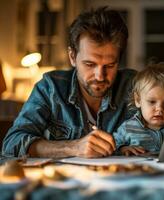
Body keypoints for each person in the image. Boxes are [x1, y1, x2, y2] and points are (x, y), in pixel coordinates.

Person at [2, 7, 137, 158]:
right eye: (89, 64)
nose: (100, 76)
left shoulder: (135, 86)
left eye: (110, 65)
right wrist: (73, 147)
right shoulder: (50, 87)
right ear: (72, 56)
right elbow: (12, 143)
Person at [113, 64, 164, 156]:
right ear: (138, 100)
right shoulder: (128, 127)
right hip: (139, 168)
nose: (160, 109)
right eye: (152, 102)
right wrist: (123, 148)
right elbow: (111, 146)